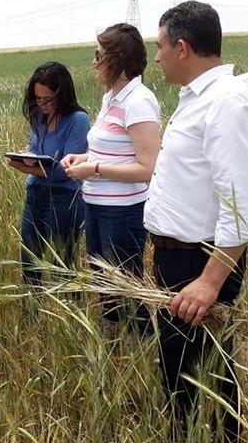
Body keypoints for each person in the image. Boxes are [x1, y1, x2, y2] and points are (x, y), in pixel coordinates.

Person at [146, 0, 248, 442]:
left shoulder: (227, 103)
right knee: (180, 374)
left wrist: (210, 282)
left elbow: (242, 205)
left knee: (209, 378)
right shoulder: (197, 99)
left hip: (201, 264)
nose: (155, 57)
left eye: (160, 46)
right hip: (176, 261)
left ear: (182, 47)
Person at [61, 23, 161, 334]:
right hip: (95, 205)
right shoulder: (111, 98)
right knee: (105, 283)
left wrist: (95, 169)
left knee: (127, 288)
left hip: (123, 213)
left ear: (117, 59)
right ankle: (118, 345)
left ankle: (144, 347)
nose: (94, 62)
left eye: (98, 55)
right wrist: (84, 158)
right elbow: (107, 151)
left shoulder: (139, 101)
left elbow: (147, 169)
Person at [8, 62, 89, 292]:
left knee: (62, 264)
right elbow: (38, 152)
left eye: (48, 99)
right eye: (38, 98)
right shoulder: (39, 117)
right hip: (35, 194)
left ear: (62, 94)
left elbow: (66, 171)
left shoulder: (77, 120)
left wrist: (27, 169)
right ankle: (31, 315)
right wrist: (27, 157)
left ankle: (66, 315)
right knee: (29, 260)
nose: (42, 104)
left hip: (65, 199)